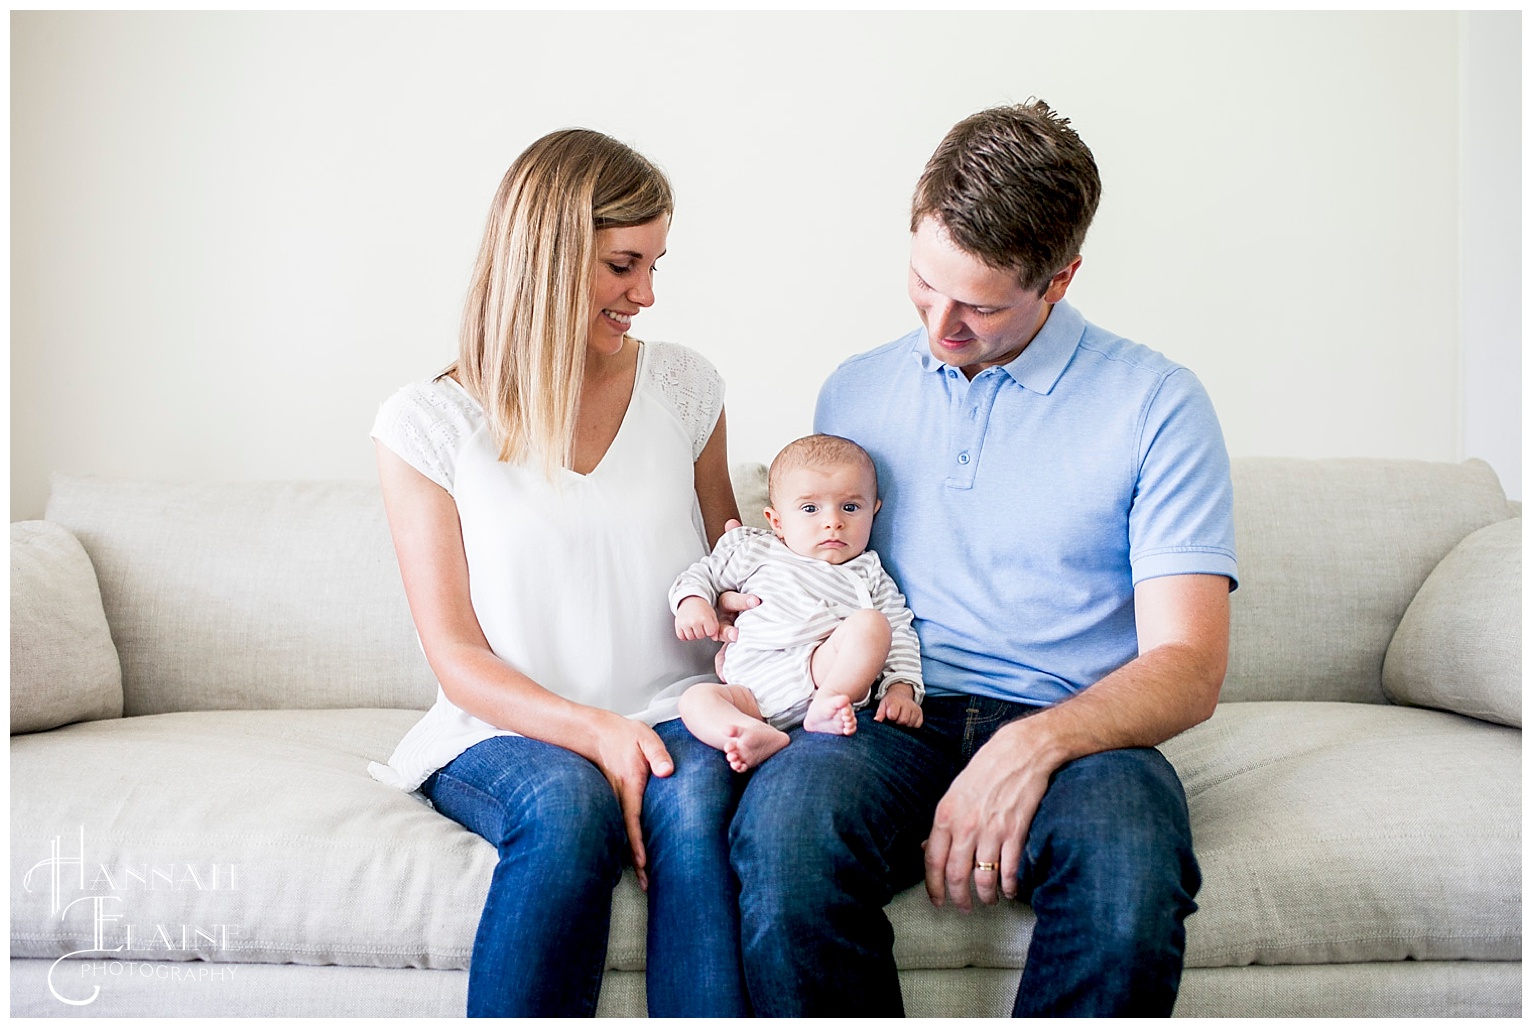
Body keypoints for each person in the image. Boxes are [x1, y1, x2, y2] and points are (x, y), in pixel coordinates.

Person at [650, 100, 1237, 1017]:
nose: (940, 326)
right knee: (785, 842)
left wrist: (1030, 749)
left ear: (1062, 276)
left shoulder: (1157, 405)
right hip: (888, 717)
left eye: (981, 304)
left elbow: (1190, 667)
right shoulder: (855, 387)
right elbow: (819, 564)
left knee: (1130, 878)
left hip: (1077, 727)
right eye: (925, 283)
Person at [365, 128, 747, 1017]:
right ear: (549, 255)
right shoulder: (426, 422)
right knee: (569, 811)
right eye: (623, 265)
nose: (646, 295)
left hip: (675, 712)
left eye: (655, 265)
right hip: (500, 727)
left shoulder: (687, 388)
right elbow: (457, 656)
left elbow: (731, 562)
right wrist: (595, 733)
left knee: (694, 821)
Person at [670, 434, 924, 772]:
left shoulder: (869, 572)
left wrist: (901, 689)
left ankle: (829, 704)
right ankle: (747, 733)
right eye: (810, 509)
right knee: (695, 700)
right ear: (776, 521)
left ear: (873, 512)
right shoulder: (754, 549)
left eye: (850, 507)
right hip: (751, 688)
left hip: (822, 672)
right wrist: (693, 602)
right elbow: (702, 573)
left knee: (873, 625)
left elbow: (900, 635)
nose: (833, 521)